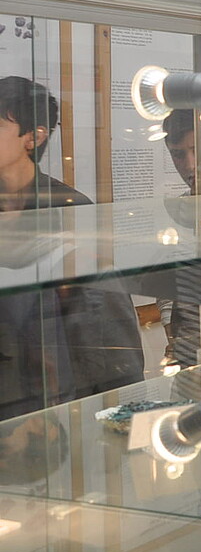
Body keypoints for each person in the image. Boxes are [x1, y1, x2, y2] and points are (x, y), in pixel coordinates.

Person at [0, 76, 143, 419]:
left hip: (58, 394)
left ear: (34, 137)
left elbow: (104, 324)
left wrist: (116, 414)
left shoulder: (70, 209)